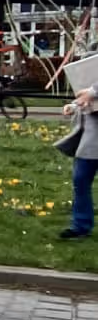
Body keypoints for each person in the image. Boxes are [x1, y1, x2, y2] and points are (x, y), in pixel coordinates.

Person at [54, 82, 98, 241]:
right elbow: (86, 98)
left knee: (81, 179)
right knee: (80, 179)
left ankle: (81, 225)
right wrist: (74, 106)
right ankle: (81, 226)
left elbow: (90, 92)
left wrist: (91, 91)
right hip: (91, 140)